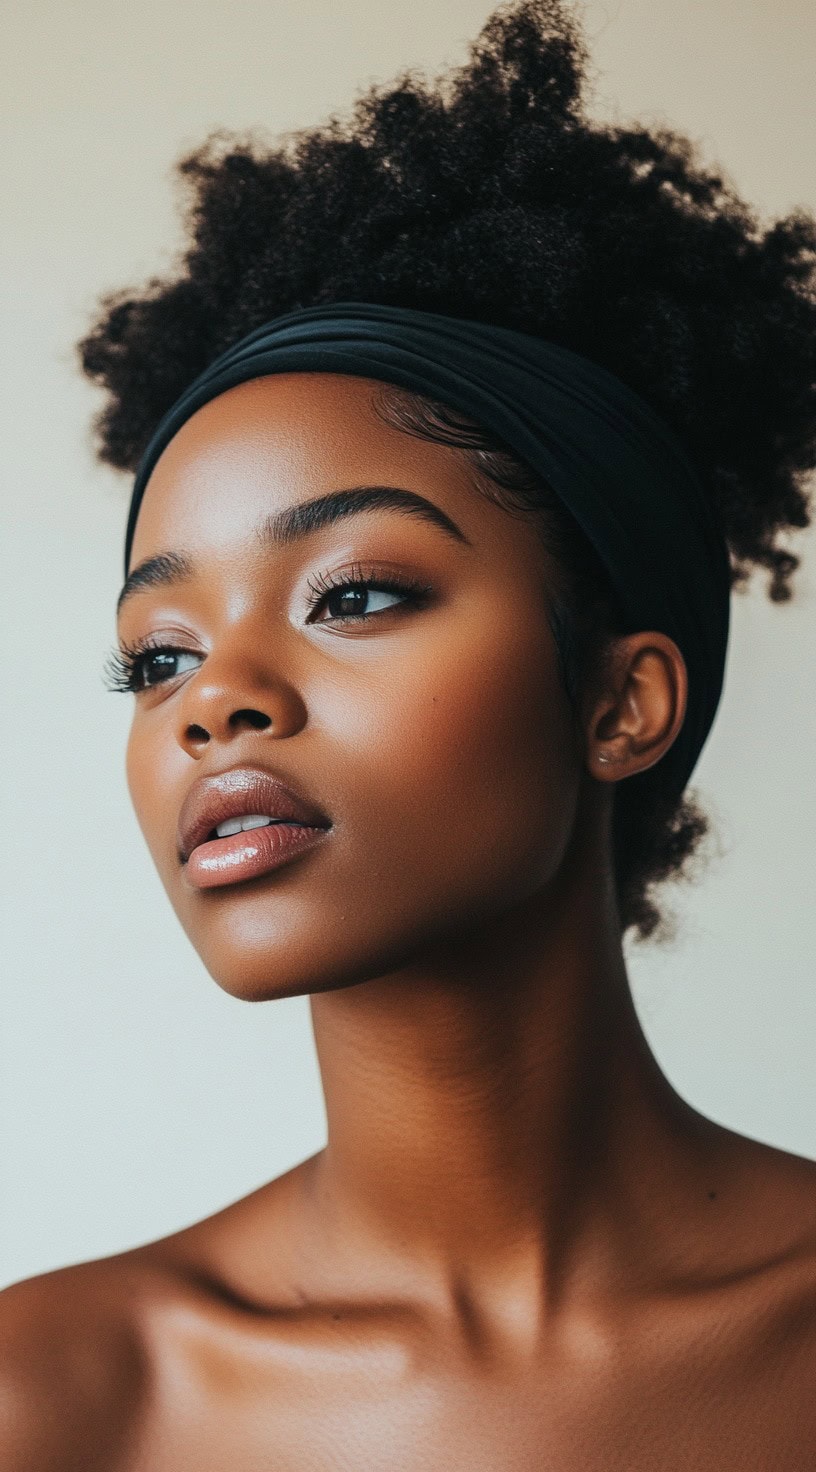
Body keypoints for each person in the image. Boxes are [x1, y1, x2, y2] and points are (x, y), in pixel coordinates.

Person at [2, 1, 815, 1466]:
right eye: (158, 656)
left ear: (622, 703)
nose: (215, 699)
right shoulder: (63, 1396)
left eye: (356, 592)